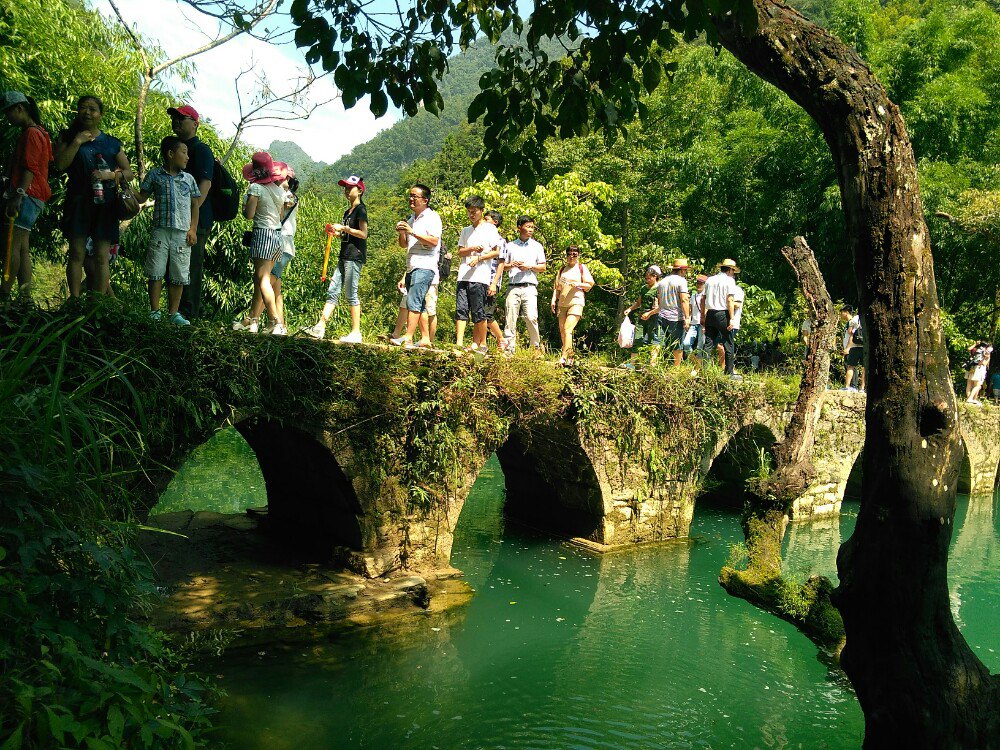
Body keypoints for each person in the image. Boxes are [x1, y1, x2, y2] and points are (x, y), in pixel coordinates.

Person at [53, 95, 133, 296]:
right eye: (83, 108)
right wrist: (77, 142)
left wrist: (109, 175)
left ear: (101, 114)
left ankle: (99, 303)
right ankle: (74, 300)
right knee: (76, 253)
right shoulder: (67, 137)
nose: (87, 112)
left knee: (101, 257)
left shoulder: (112, 143)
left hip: (106, 204)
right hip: (78, 201)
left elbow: (129, 172)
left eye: (92, 109)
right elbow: (59, 165)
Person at [136, 136, 200, 325]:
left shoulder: (189, 179)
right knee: (155, 269)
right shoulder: (155, 175)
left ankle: (173, 313)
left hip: (182, 232)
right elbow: (141, 198)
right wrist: (124, 187)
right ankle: (154, 311)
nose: (187, 157)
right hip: (160, 230)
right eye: (184, 152)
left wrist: (193, 229)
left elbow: (195, 205)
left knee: (179, 272)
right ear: (171, 154)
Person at [304, 175, 369, 342]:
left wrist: (344, 228)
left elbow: (363, 234)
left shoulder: (361, 210)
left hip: (354, 256)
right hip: (344, 255)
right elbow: (348, 235)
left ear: (359, 190)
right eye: (345, 187)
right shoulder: (348, 212)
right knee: (333, 290)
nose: (347, 190)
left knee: (351, 293)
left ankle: (356, 332)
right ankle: (320, 326)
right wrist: (338, 233)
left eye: (350, 187)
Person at [1, 91, 52, 300]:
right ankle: (26, 298)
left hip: (28, 195)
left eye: (8, 112)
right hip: (36, 196)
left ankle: (4, 295)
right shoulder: (40, 131)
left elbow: (30, 168)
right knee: (22, 248)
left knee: (11, 245)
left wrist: (18, 195)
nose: (7, 117)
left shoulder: (31, 133)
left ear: (19, 108)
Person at [168, 105, 214, 320]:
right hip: (176, 218)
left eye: (182, 118)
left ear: (195, 124)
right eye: (174, 118)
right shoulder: (173, 149)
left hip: (197, 220)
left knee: (191, 264)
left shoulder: (201, 150)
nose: (176, 121)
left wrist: (191, 216)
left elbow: (205, 184)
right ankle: (175, 311)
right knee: (175, 263)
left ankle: (189, 313)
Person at [240, 151, 289, 335]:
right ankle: (253, 321)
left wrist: (244, 206)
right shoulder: (279, 191)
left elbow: (249, 215)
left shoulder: (256, 188)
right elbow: (281, 216)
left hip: (262, 234)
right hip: (277, 237)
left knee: (263, 281)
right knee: (260, 278)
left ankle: (276, 321)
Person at [391, 183, 441, 349]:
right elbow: (403, 245)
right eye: (410, 196)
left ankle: (408, 338)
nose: (411, 199)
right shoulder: (412, 219)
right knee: (419, 304)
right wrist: (402, 233)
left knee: (413, 301)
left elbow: (434, 241)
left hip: (425, 265)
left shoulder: (432, 217)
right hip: (412, 266)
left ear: (425, 200)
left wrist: (412, 231)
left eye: (415, 196)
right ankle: (425, 338)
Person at [491, 215, 546, 354]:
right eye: (528, 227)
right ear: (519, 228)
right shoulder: (510, 246)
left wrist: (530, 266)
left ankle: (535, 348)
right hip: (513, 286)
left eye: (532, 227)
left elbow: (543, 267)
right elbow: (502, 266)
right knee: (510, 318)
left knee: (531, 317)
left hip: (530, 286)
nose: (531, 230)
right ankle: (509, 350)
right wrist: (512, 265)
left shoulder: (537, 246)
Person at [455, 195, 504, 352]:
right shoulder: (465, 230)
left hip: (480, 276)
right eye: (469, 211)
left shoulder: (490, 229)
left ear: (481, 211)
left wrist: (479, 258)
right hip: (463, 275)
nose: (471, 214)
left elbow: (496, 252)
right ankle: (459, 343)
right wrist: (471, 249)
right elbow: (460, 252)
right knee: (461, 309)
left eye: (474, 211)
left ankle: (483, 343)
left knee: (478, 311)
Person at [550, 245, 594, 365]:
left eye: (574, 254)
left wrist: (577, 284)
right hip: (562, 303)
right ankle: (570, 356)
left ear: (578, 255)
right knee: (563, 331)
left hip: (576, 302)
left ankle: (564, 356)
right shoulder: (562, 270)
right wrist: (553, 300)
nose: (571, 257)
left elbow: (590, 284)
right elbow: (557, 287)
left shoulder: (581, 268)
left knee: (567, 329)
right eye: (569, 254)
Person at [647, 258, 691, 367]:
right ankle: (676, 368)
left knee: (657, 342)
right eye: (685, 270)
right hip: (676, 318)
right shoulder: (681, 281)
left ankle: (652, 364)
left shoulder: (662, 282)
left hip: (662, 316)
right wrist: (687, 317)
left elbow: (659, 301)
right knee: (677, 345)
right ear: (682, 270)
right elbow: (684, 299)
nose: (685, 273)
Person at [700, 258, 739, 375]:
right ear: (730, 270)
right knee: (728, 343)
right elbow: (730, 300)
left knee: (708, 343)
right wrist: (732, 318)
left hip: (710, 313)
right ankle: (729, 372)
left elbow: (703, 299)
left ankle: (704, 371)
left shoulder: (710, 280)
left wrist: (702, 316)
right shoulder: (729, 281)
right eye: (733, 271)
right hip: (723, 314)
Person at [270, 174, 299, 329]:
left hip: (283, 242)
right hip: (281, 241)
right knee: (276, 289)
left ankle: (252, 319)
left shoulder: (289, 196)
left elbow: (282, 207)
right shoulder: (286, 195)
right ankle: (280, 324)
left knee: (267, 283)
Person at [623, 265, 662, 368]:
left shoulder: (658, 289)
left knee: (652, 340)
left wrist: (649, 313)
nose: (647, 280)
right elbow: (638, 303)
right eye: (646, 278)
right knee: (638, 339)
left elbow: (661, 307)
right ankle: (633, 363)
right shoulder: (644, 288)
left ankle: (652, 364)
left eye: (649, 278)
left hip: (653, 317)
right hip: (641, 317)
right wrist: (630, 309)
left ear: (655, 277)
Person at [482, 209, 509, 351]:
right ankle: (481, 343)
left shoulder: (500, 241)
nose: (484, 222)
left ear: (495, 222)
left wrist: (494, 284)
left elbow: (501, 264)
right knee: (479, 313)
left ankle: (501, 339)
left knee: (487, 313)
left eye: (486, 219)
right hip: (480, 279)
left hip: (491, 281)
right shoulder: (483, 237)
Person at [840, 305, 865, 392]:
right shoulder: (867, 318)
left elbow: (850, 333)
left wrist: (847, 348)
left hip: (854, 346)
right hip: (864, 346)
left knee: (850, 366)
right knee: (864, 368)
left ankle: (848, 386)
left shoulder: (854, 319)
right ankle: (862, 388)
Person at [683, 274, 708, 357]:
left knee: (700, 347)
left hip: (703, 324)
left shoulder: (707, 297)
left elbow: (707, 311)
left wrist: (705, 325)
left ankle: (698, 363)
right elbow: (690, 311)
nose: (699, 285)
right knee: (686, 343)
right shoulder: (693, 296)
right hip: (693, 323)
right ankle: (693, 360)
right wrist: (687, 322)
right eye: (697, 283)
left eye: (701, 283)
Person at [964, 341, 992, 406]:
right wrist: (988, 358)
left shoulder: (975, 349)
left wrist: (975, 344)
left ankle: (969, 398)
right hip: (978, 368)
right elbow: (984, 363)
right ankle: (970, 399)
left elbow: (969, 349)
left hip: (970, 367)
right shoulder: (985, 352)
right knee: (977, 385)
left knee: (969, 384)